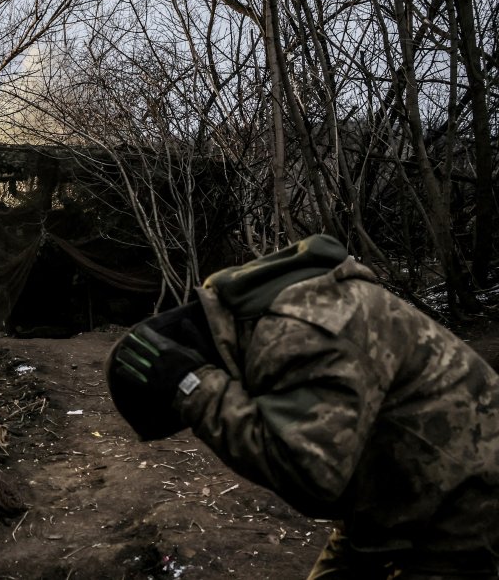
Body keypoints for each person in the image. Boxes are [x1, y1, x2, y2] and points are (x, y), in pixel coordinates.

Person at [107, 234, 499, 579]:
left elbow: (311, 478)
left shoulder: (300, 332)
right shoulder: (260, 319)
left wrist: (195, 390)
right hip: (393, 494)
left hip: (466, 502)